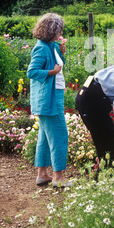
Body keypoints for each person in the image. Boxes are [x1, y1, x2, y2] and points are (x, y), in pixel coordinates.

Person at [27, 13, 72, 188]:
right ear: (52, 29)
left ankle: (42, 175)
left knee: (45, 138)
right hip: (48, 100)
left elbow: (58, 67)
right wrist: (53, 72)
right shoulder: (41, 48)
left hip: (53, 96)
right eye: (59, 29)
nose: (61, 33)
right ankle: (58, 178)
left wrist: (62, 54)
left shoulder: (51, 46)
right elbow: (32, 72)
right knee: (60, 136)